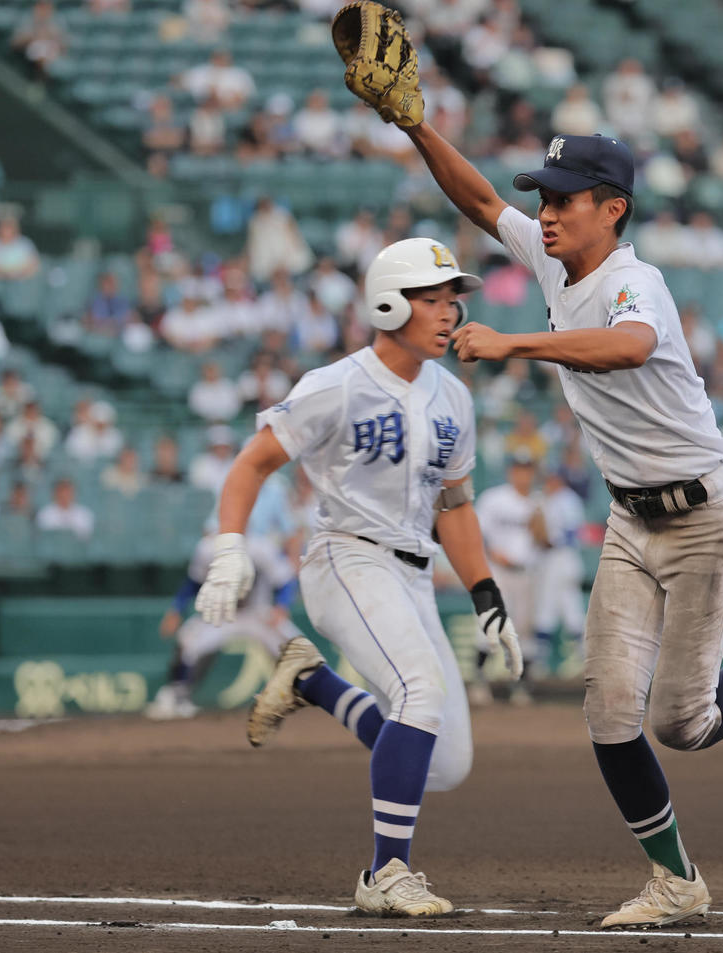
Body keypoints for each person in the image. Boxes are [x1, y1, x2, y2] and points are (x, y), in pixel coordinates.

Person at [401, 117, 723, 929]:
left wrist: (515, 343)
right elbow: (477, 199)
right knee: (610, 712)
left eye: (563, 200)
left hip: (706, 516)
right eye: (542, 199)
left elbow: (630, 346)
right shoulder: (551, 259)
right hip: (629, 519)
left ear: (612, 208)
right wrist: (413, 123)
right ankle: (676, 879)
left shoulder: (633, 279)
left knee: (683, 723)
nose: (544, 213)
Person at [193, 238, 523, 917]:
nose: (450, 312)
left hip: (414, 572)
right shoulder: (337, 384)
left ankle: (313, 681)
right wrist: (230, 547)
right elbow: (252, 463)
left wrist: (486, 593)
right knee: (419, 692)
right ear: (388, 304)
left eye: (453, 299)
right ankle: (386, 872)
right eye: (433, 299)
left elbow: (455, 505)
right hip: (345, 557)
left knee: (446, 763)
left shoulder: (454, 397)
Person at [146, 528, 302, 720]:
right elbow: (193, 582)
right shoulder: (207, 548)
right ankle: (176, 696)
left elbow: (285, 580)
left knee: (296, 645)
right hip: (222, 612)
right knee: (188, 640)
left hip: (257, 612)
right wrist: (176, 609)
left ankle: (311, 692)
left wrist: (281, 606)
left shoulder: (261, 547)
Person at [472, 451, 540, 705]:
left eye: (527, 469)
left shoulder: (539, 502)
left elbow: (547, 542)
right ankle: (479, 681)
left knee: (524, 628)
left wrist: (542, 528)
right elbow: (477, 533)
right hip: (497, 571)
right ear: (511, 471)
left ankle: (521, 686)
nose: (523, 474)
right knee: (490, 623)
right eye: (519, 468)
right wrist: (491, 553)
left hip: (526, 572)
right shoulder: (494, 499)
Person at [530, 467, 587, 676]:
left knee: (563, 607)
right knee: (559, 608)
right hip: (550, 559)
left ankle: (582, 658)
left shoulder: (568, 499)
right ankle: (543, 661)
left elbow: (572, 533)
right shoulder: (546, 499)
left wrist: (550, 539)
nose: (549, 482)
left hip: (564, 557)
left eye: (552, 479)